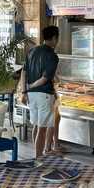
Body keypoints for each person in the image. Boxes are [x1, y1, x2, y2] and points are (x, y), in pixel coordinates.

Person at [21, 26, 59, 158]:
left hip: (32, 96)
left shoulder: (32, 51)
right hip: (44, 95)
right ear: (54, 38)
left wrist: (24, 91)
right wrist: (31, 86)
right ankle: (38, 159)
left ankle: (36, 155)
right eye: (57, 38)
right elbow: (44, 79)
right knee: (42, 129)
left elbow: (23, 72)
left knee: (37, 126)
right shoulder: (52, 56)